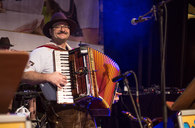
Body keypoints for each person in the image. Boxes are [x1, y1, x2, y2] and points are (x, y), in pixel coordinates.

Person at [22, 11, 98, 128]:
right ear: (51, 32)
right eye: (58, 26)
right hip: (61, 112)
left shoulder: (77, 54)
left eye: (65, 26)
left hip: (85, 111)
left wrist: (105, 92)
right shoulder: (41, 52)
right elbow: (24, 75)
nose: (62, 29)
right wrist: (48, 77)